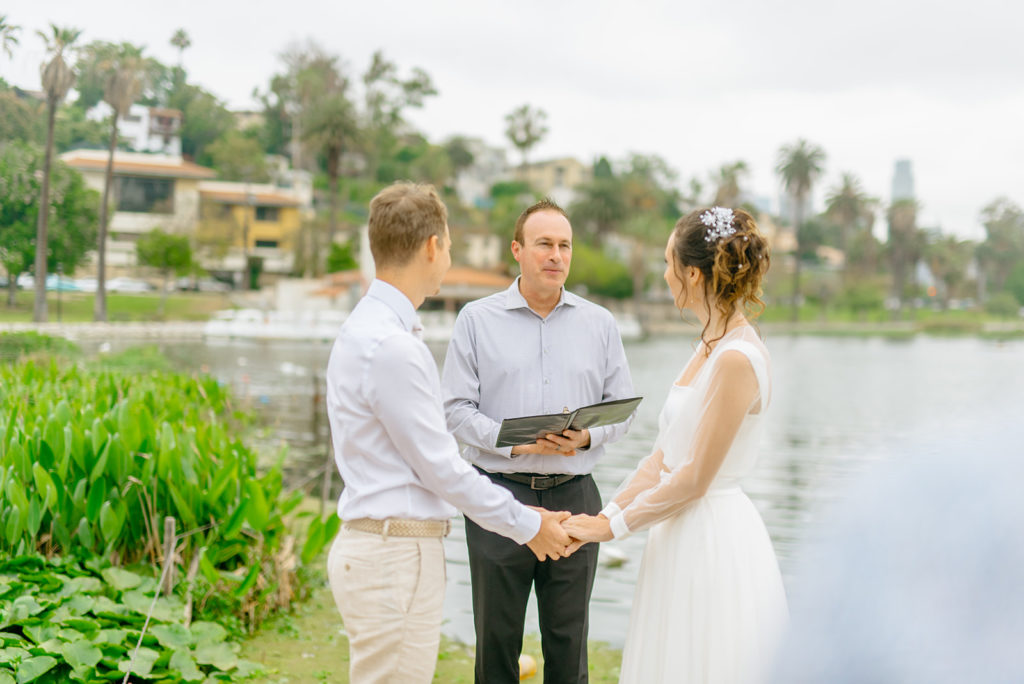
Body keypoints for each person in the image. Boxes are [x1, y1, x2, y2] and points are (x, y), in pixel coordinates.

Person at [324, 182, 572, 684]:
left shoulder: (365, 328)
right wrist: (528, 523)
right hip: (396, 556)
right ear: (433, 246)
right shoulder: (394, 345)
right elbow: (442, 468)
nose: (449, 256)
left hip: (380, 549)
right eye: (451, 245)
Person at [563, 206, 787, 684]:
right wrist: (604, 515)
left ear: (691, 272)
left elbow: (694, 478)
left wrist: (614, 528)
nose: (663, 274)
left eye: (668, 263)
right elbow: (663, 458)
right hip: (675, 534)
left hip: (712, 538)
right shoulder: (706, 348)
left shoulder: (736, 359)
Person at [441, 198, 635, 684]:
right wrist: (517, 443)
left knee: (569, 648)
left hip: (576, 500)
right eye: (544, 244)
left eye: (564, 245)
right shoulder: (475, 320)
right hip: (498, 498)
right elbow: (455, 412)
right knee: (497, 646)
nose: (556, 255)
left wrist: (586, 436)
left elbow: (623, 409)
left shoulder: (601, 324)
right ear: (517, 250)